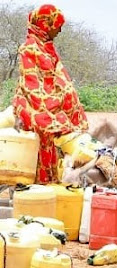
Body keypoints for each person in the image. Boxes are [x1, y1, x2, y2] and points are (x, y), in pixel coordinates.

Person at [12, 4, 88, 184]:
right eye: (57, 26)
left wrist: (62, 99)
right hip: (33, 106)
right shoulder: (29, 49)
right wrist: (54, 112)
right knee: (39, 149)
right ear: (46, 24)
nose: (60, 30)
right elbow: (31, 85)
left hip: (49, 105)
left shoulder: (47, 48)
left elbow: (58, 78)